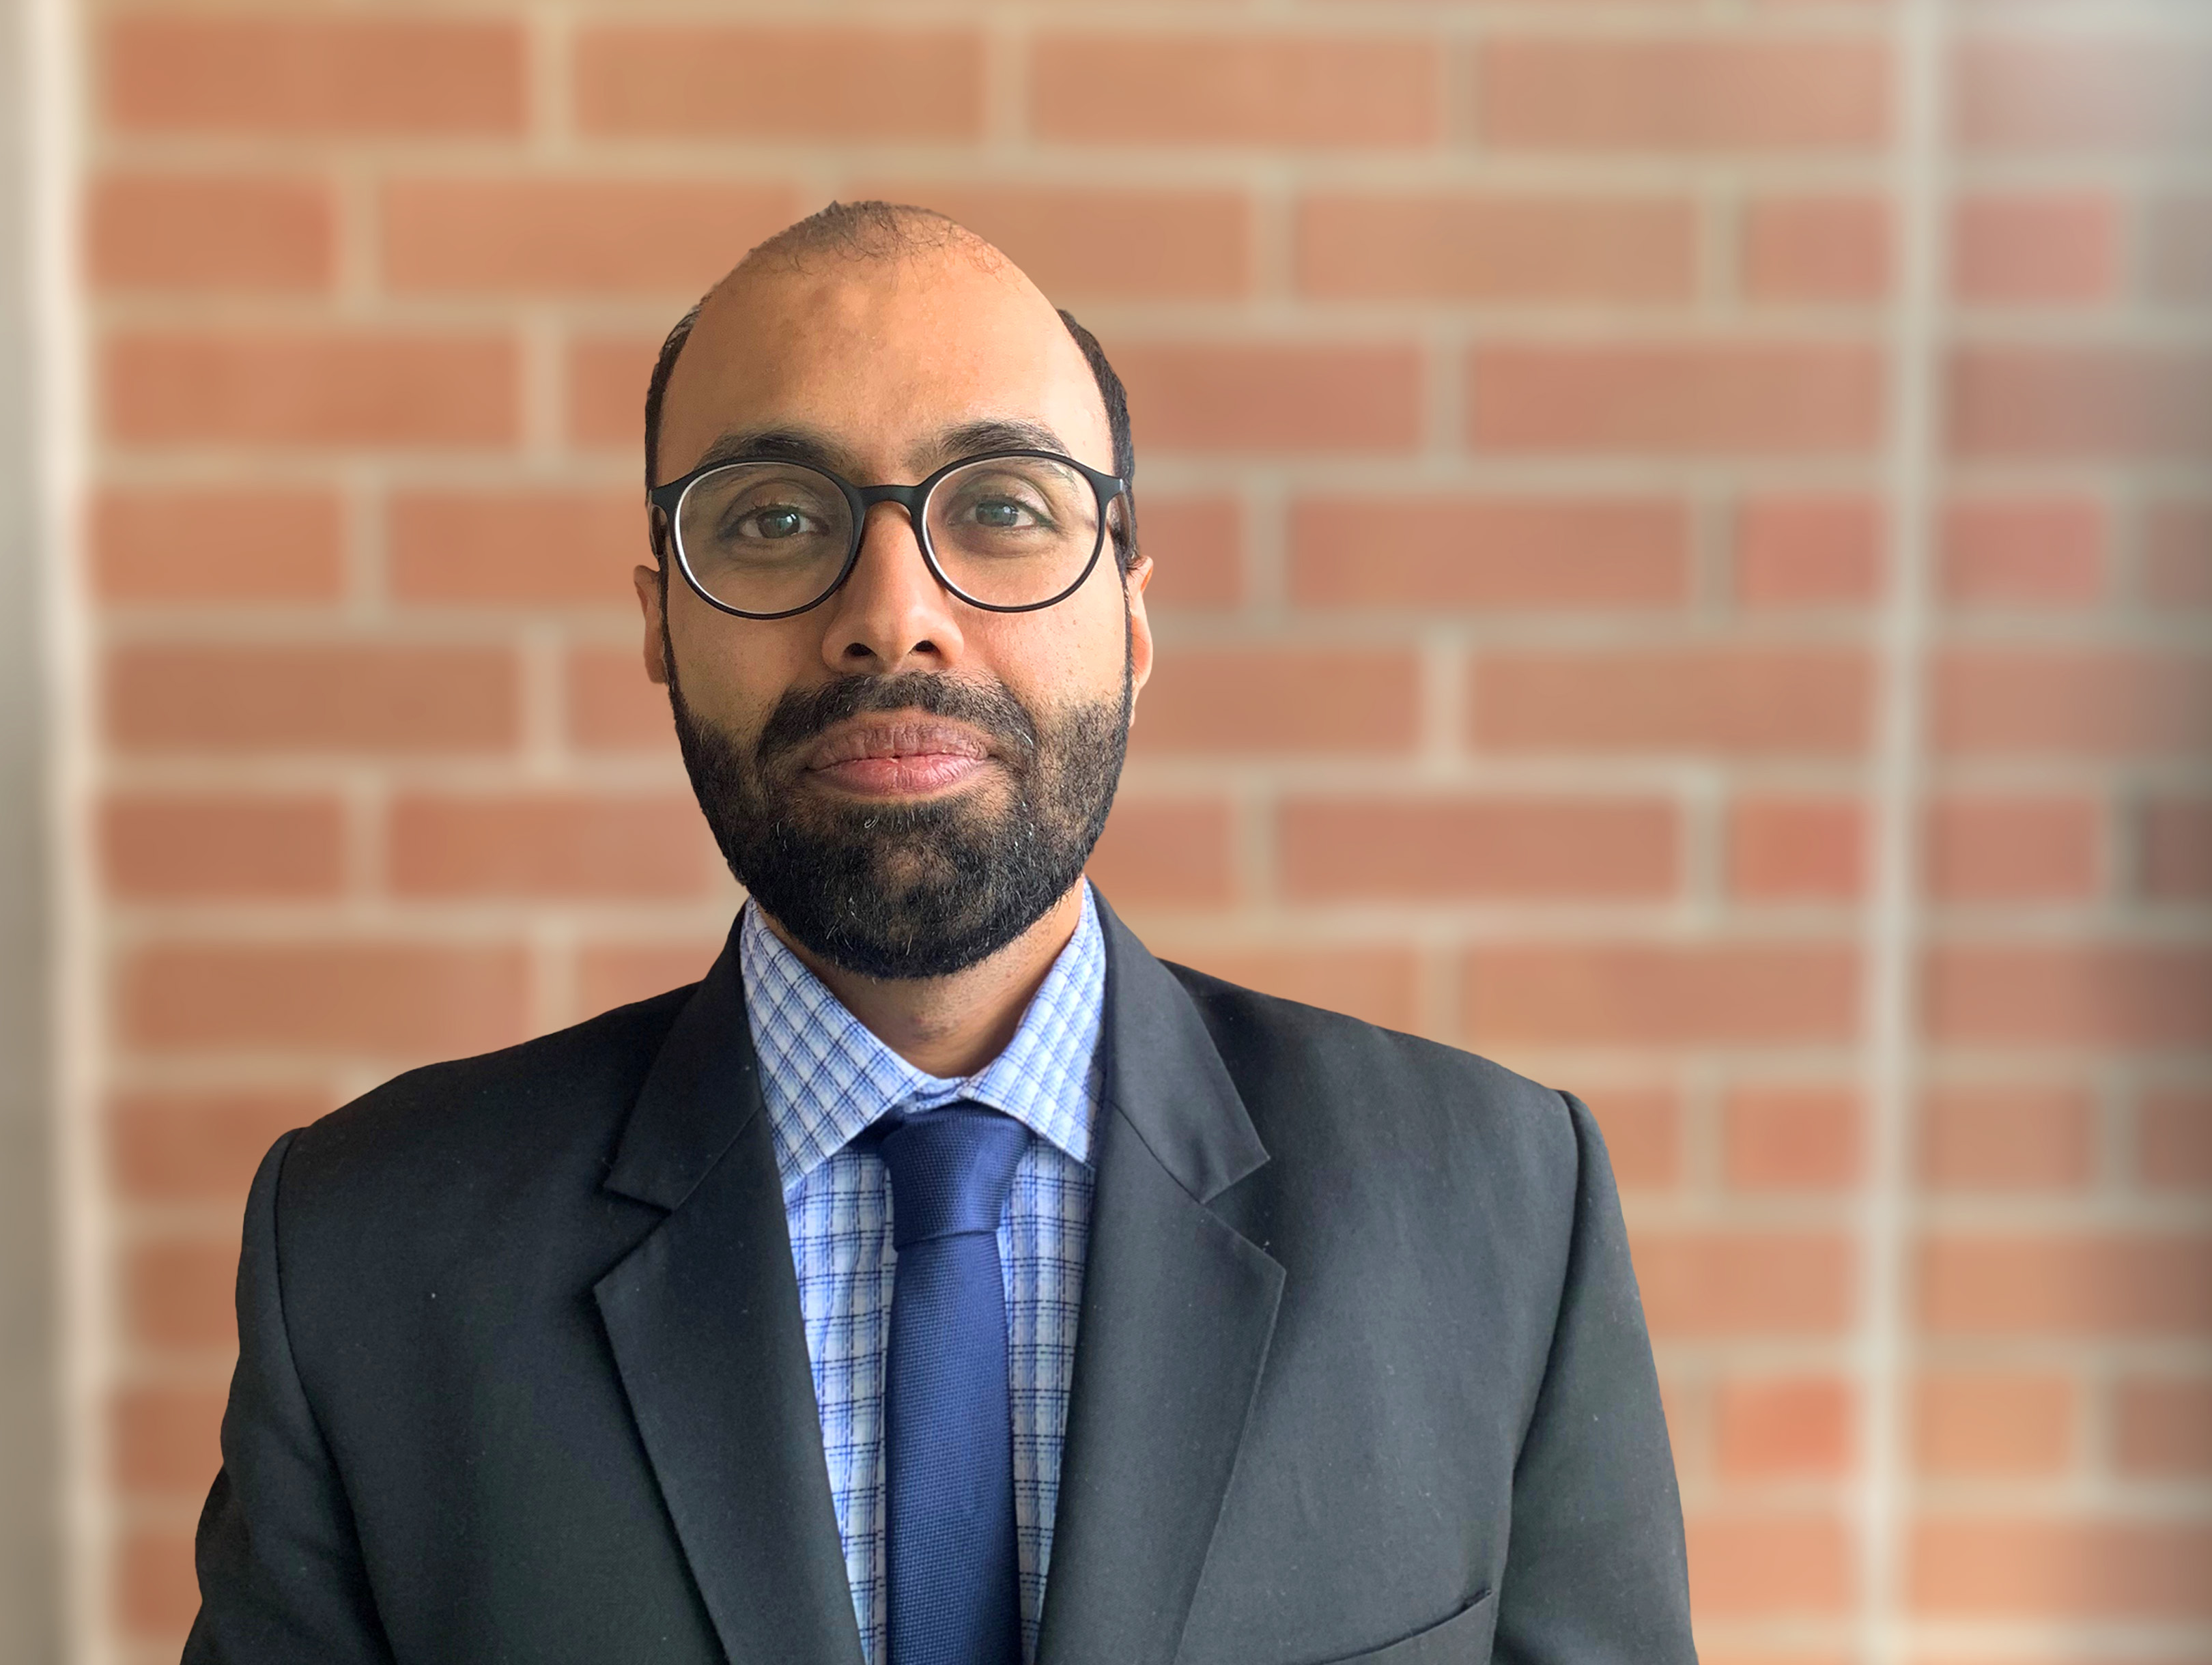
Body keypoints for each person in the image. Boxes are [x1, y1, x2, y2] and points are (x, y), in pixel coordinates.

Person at [184, 203, 1697, 1665]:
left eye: (1003, 507)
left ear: (1133, 615)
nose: (893, 612)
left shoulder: (1503, 1210)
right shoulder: (366, 1253)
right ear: (659, 621)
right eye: (777, 519)